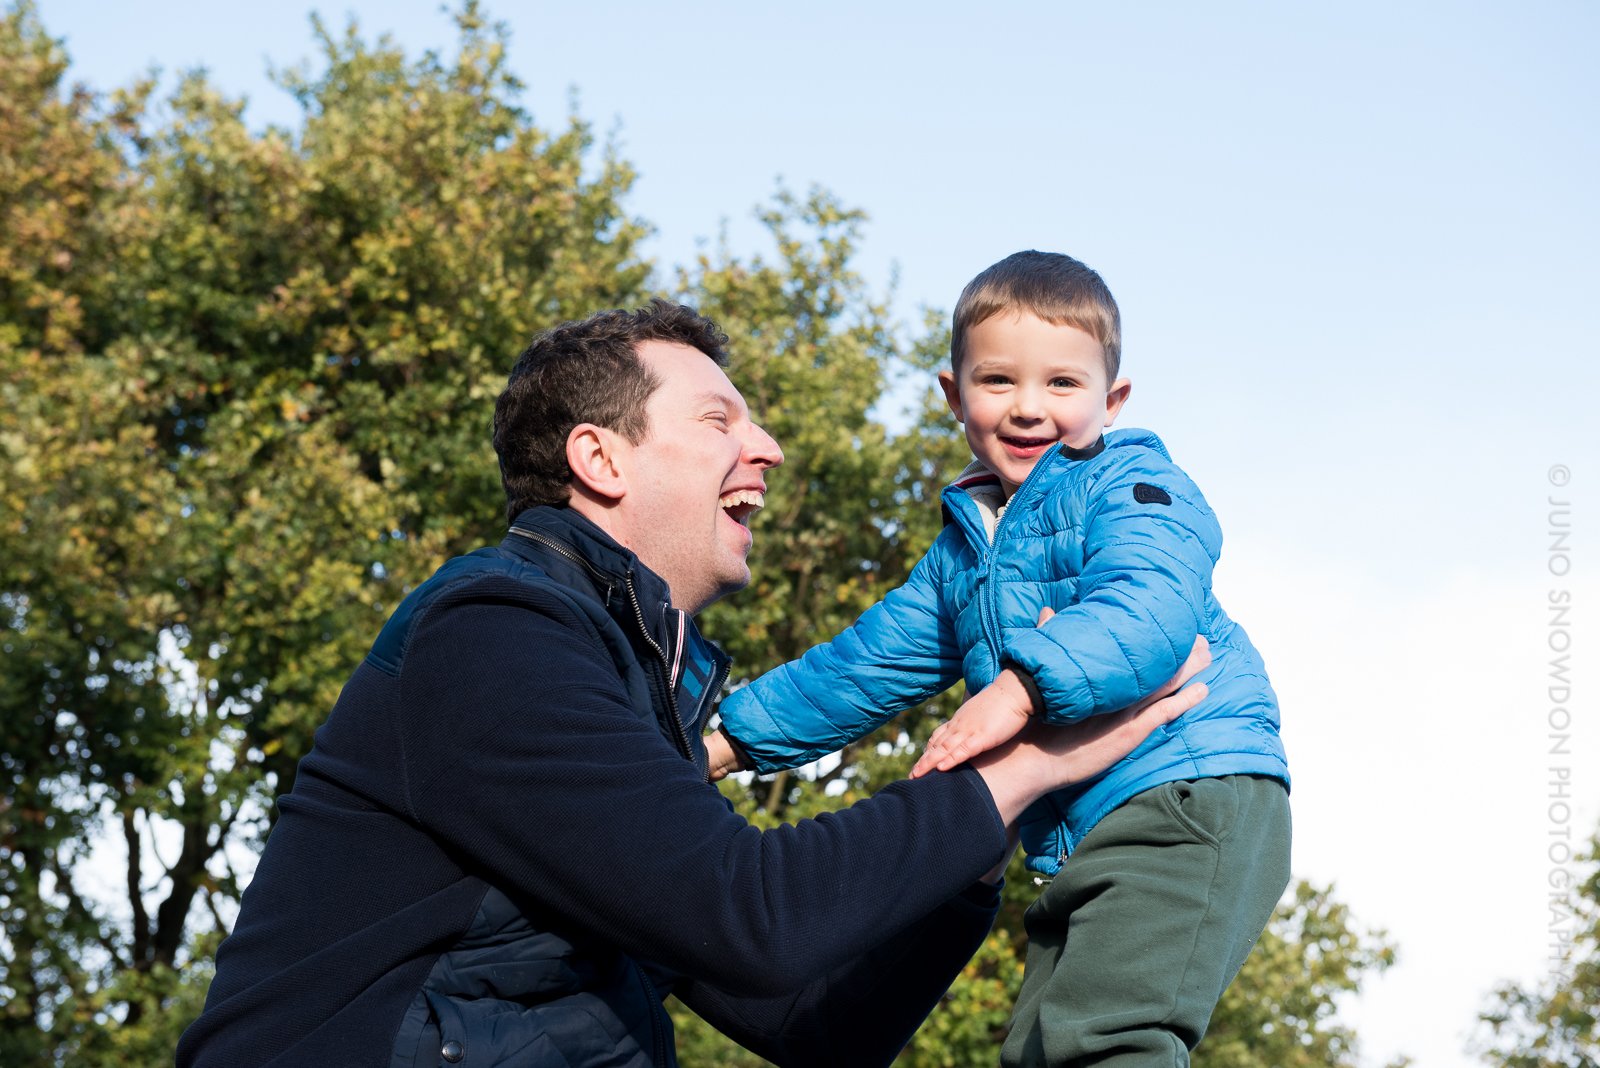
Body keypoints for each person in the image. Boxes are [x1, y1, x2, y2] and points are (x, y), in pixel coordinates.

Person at [175, 299, 1211, 1068]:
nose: (764, 447)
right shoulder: (492, 631)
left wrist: (973, 850)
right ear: (600, 460)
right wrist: (1019, 771)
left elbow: (813, 1022)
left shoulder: (620, 692)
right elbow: (751, 912)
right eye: (719, 422)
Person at [708, 251, 1292, 1066]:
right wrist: (726, 745)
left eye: (1061, 384)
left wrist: (1018, 690)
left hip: (1189, 790)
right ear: (953, 394)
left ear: (1110, 399)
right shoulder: (967, 547)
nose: (1027, 408)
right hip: (1093, 825)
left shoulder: (1128, 483)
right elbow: (864, 665)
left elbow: (1150, 604)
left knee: (1105, 1037)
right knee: (1041, 1047)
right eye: (997, 381)